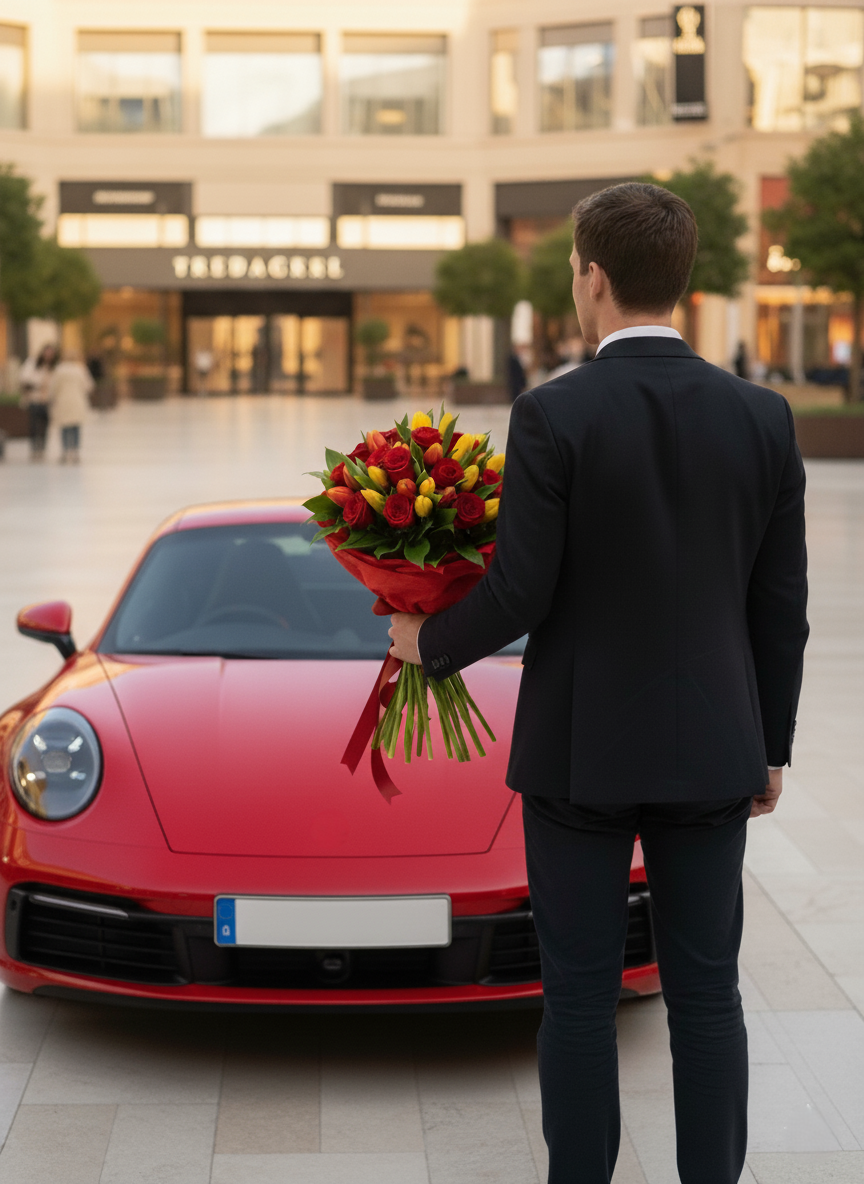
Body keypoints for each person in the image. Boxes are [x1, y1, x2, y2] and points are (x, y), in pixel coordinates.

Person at [389, 182, 808, 1184]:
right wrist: (772, 741)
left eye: (575, 271)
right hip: (715, 745)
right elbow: (779, 603)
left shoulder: (553, 413)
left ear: (594, 277)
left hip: (580, 752)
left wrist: (425, 638)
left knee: (577, 993)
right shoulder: (762, 415)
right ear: (683, 281)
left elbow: (522, 589)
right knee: (709, 992)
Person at [48, 351, 95, 463]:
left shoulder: (59, 370)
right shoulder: (80, 369)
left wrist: (51, 398)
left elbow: (53, 387)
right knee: (75, 427)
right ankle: (75, 451)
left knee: (64, 427)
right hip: (77, 401)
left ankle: (65, 451)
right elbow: (89, 386)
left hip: (62, 401)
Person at [19, 344, 58, 460]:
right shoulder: (32, 363)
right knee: (34, 425)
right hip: (34, 398)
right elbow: (24, 379)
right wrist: (38, 385)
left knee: (45, 425)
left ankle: (42, 448)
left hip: (47, 400)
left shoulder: (53, 366)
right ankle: (34, 448)